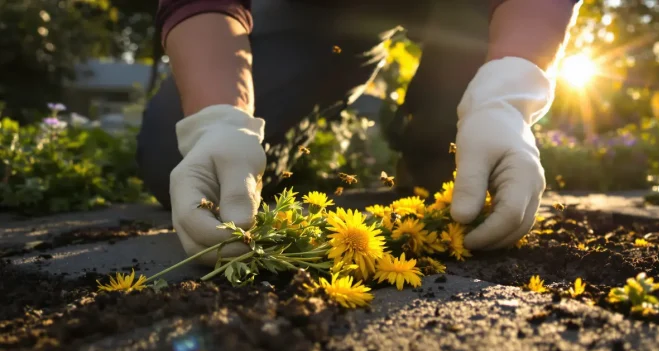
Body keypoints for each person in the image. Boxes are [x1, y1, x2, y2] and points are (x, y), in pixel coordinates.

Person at [137, 0, 582, 265]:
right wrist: (217, 119)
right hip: (314, 12)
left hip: (465, 10)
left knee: (455, 179)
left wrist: (506, 96)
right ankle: (333, 75)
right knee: (172, 155)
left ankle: (429, 129)